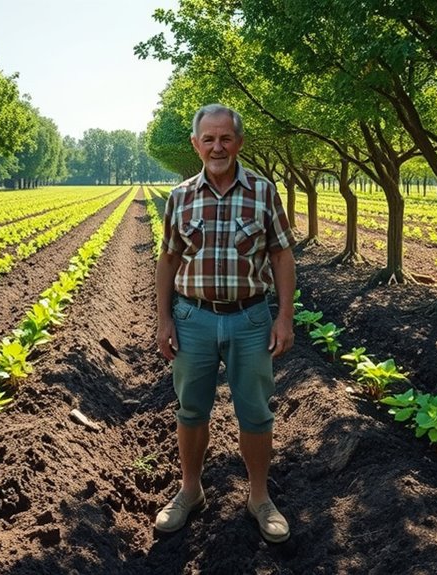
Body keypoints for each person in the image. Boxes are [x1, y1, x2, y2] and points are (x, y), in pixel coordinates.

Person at [154, 103, 297, 543]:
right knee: (191, 409)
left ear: (239, 142)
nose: (218, 147)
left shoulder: (262, 190)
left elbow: (280, 254)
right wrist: (163, 319)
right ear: (196, 145)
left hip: (250, 318)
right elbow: (168, 258)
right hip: (192, 317)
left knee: (254, 412)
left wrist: (285, 317)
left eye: (226, 138)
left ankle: (259, 497)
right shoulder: (180, 197)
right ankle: (190, 491)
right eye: (209, 139)